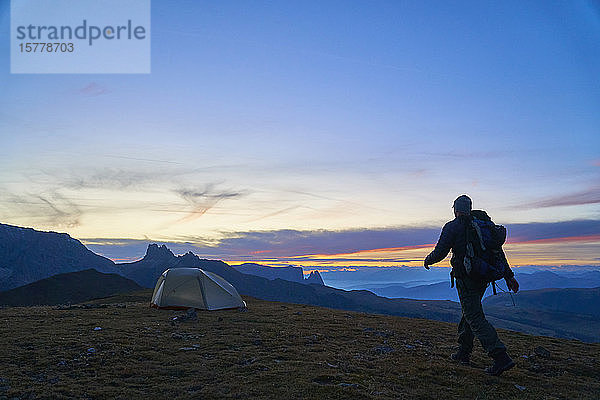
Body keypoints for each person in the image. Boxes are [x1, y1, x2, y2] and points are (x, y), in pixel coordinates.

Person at [423, 195, 519, 376]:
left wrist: (428, 260)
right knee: (469, 312)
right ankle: (463, 352)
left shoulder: (453, 226)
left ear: (455, 209)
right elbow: (498, 252)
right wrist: (509, 276)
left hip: (466, 278)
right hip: (483, 277)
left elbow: (440, 251)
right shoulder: (482, 226)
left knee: (474, 316)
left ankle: (500, 357)